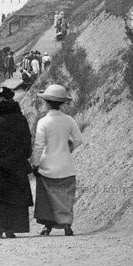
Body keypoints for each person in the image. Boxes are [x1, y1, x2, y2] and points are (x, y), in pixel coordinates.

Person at [0, 87, 32, 238]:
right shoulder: (21, 120)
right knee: (16, 197)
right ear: (12, 101)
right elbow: (27, 145)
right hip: (17, 165)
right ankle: (12, 228)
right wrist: (21, 158)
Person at [32, 84, 83, 236]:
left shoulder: (43, 122)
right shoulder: (69, 120)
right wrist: (69, 148)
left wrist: (35, 164)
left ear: (46, 102)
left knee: (46, 199)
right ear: (62, 103)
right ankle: (66, 224)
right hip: (66, 165)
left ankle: (48, 226)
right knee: (66, 197)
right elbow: (79, 139)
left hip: (48, 166)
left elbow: (39, 146)